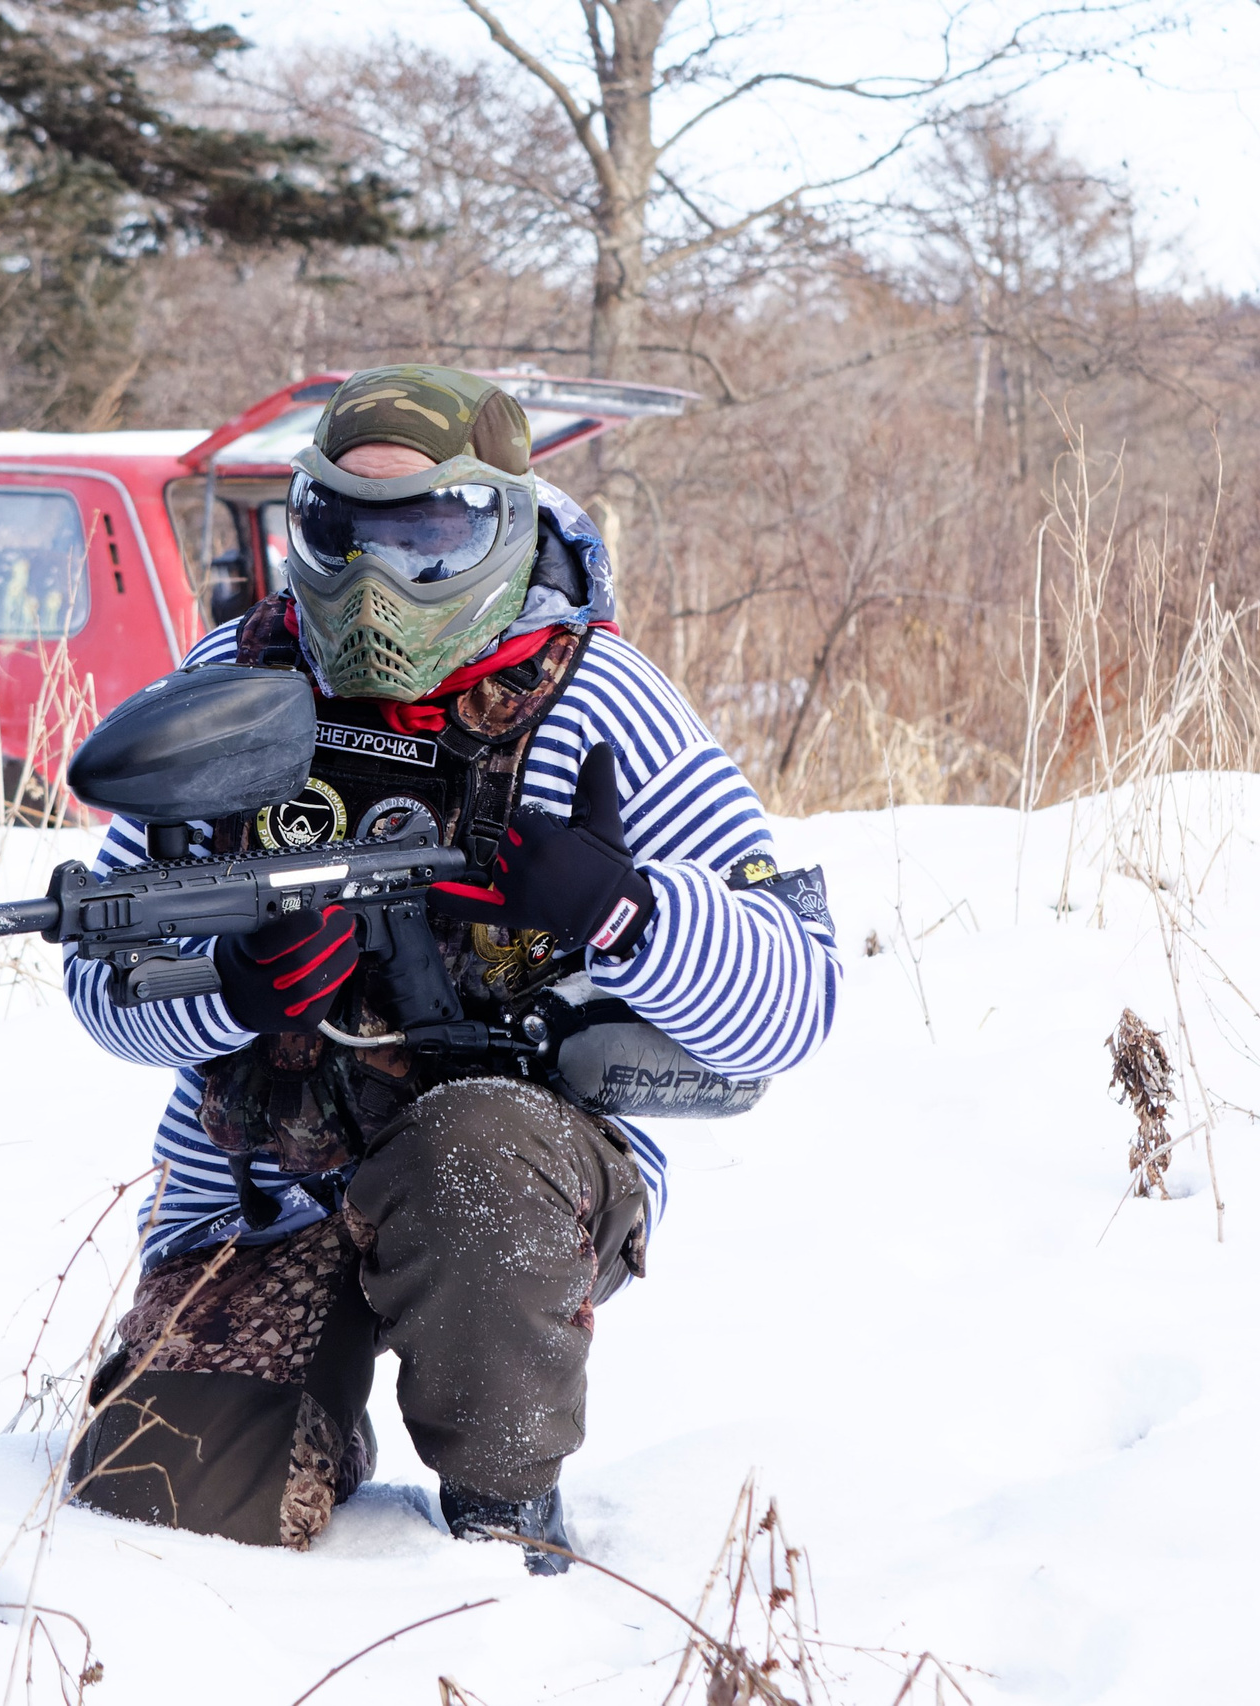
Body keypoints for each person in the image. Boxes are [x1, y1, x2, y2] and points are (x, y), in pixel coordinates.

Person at [61, 365, 841, 1573]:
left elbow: (796, 1005)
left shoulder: (598, 702)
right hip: (263, 1189)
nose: (379, 579)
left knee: (469, 1153)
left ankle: (501, 1512)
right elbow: (104, 980)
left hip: (519, 1183)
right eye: (342, 531)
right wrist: (236, 986)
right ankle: (310, 1396)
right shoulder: (233, 680)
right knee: (168, 1497)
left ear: (501, 524)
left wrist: (624, 906)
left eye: (426, 535)